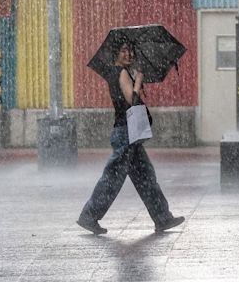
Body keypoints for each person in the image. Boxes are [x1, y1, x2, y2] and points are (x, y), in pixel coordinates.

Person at [77, 38, 185, 235]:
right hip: (125, 134)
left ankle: (162, 218)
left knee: (146, 177)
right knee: (111, 179)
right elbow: (131, 101)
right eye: (124, 50)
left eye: (131, 51)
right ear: (116, 53)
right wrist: (139, 81)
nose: (129, 55)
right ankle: (89, 216)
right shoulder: (122, 73)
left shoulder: (114, 73)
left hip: (127, 134)